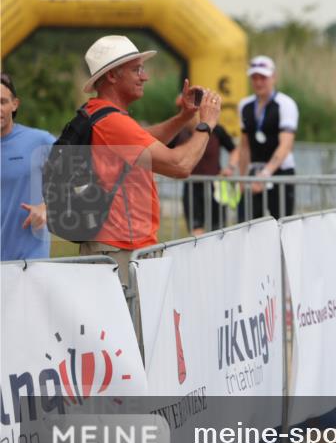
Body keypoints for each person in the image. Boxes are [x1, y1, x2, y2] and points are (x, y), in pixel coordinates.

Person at [75, 35, 223, 284]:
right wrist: (206, 123)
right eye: (136, 70)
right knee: (130, 323)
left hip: (118, 246)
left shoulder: (103, 114)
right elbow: (180, 165)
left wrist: (184, 115)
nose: (145, 77)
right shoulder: (113, 122)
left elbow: (145, 140)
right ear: (112, 75)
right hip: (118, 249)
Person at [1, 73, 56, 261]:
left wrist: (47, 207)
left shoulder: (39, 141)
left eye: (2, 102)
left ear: (14, 104)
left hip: (30, 265)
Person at [237, 56, 299, 220]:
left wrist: (266, 174)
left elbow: (285, 145)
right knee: (246, 224)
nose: (258, 82)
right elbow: (244, 146)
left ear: (273, 77)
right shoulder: (244, 105)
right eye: (254, 77)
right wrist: (242, 178)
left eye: (263, 77)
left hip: (280, 172)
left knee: (282, 225)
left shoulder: (285, 104)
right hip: (255, 170)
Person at [169, 108, 239, 235]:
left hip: (215, 187)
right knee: (196, 232)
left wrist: (230, 168)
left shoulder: (216, 130)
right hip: (191, 187)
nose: (188, 120)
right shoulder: (179, 133)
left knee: (218, 231)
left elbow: (234, 150)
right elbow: (164, 152)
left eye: (191, 115)